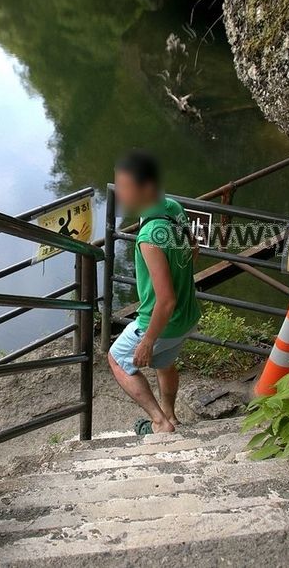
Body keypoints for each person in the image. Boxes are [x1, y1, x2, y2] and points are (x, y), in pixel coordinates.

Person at [108, 150, 201, 434]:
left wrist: (148, 340)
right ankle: (170, 416)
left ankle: (159, 423)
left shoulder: (149, 238)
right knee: (166, 363)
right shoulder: (173, 207)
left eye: (125, 188)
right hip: (189, 315)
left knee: (117, 359)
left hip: (164, 322)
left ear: (146, 188)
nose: (119, 194)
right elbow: (194, 249)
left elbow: (166, 300)